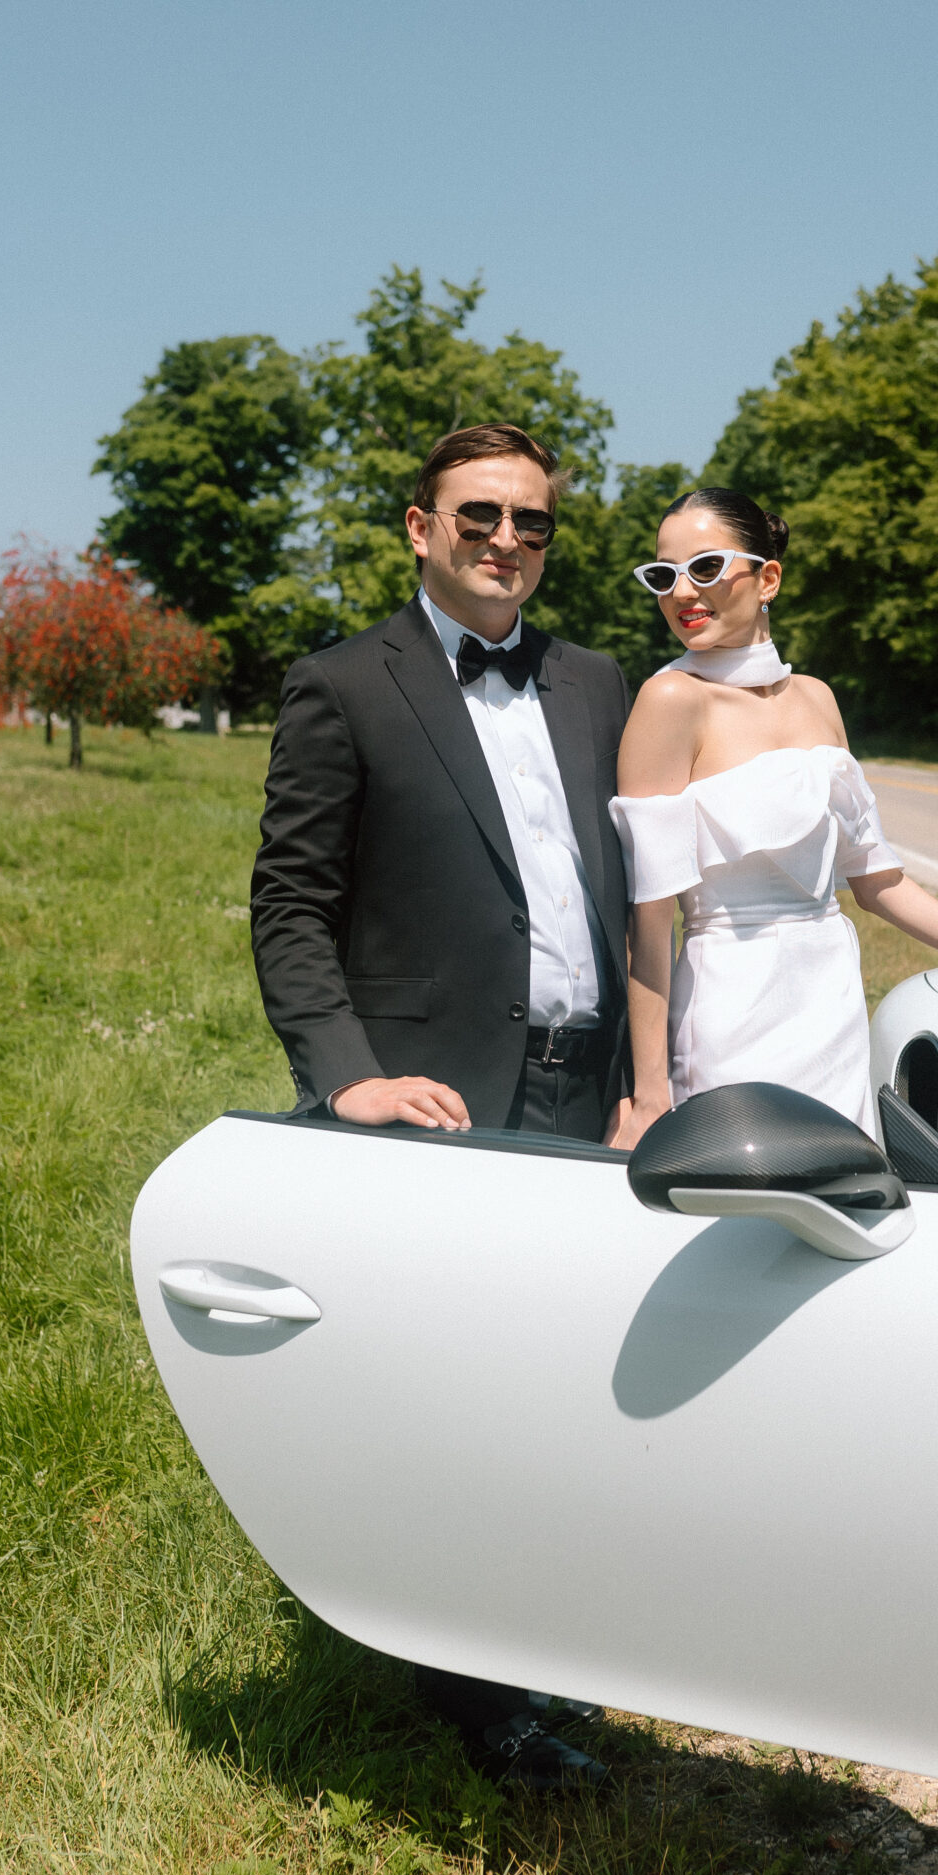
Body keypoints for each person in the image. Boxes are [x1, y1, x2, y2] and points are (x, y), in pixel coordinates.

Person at [250, 420, 629, 1785]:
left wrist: (641, 1079)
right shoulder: (344, 686)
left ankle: (556, 1651)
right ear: (420, 527)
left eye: (530, 522)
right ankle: (476, 1695)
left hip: (588, 1097)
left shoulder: (597, 685)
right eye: (479, 517)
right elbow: (289, 907)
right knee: (463, 1401)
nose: (507, 542)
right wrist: (346, 1076)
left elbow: (634, 899)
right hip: (434, 1104)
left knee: (574, 1388)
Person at [610, 488, 938, 1146]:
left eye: (704, 568)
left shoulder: (817, 700)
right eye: (663, 575)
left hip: (830, 1001)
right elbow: (649, 922)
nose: (681, 593)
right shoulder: (669, 699)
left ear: (768, 577)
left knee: (842, 1205)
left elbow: (881, 884)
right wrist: (650, 1096)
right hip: (730, 1004)